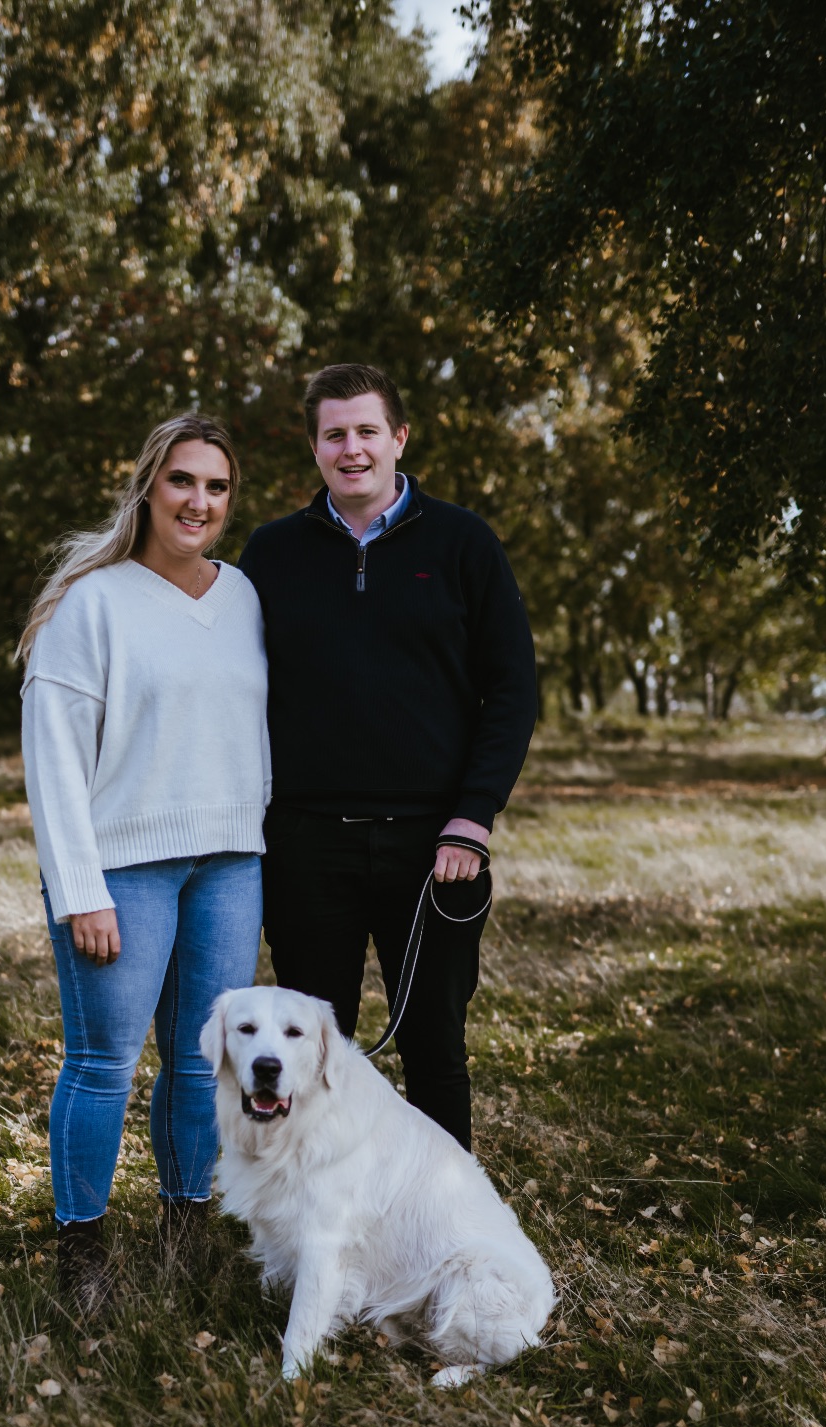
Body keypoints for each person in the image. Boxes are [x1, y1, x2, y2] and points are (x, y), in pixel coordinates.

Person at [239, 363, 536, 1154]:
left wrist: (471, 821)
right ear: (314, 447)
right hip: (306, 845)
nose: (352, 448)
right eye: (334, 434)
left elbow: (512, 692)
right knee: (306, 1054)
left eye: (367, 430)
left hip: (435, 850)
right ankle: (313, 1232)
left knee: (434, 1049)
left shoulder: (464, 544)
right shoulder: (270, 555)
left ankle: (442, 1231)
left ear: (399, 438)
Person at [18, 415, 270, 1317]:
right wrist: (80, 889)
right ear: (147, 488)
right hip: (124, 868)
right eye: (182, 482)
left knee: (203, 1066)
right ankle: (81, 1253)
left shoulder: (242, 596)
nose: (199, 501)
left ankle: (183, 1234)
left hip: (231, 863)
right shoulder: (93, 602)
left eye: (217, 487)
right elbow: (52, 757)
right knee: (103, 1064)